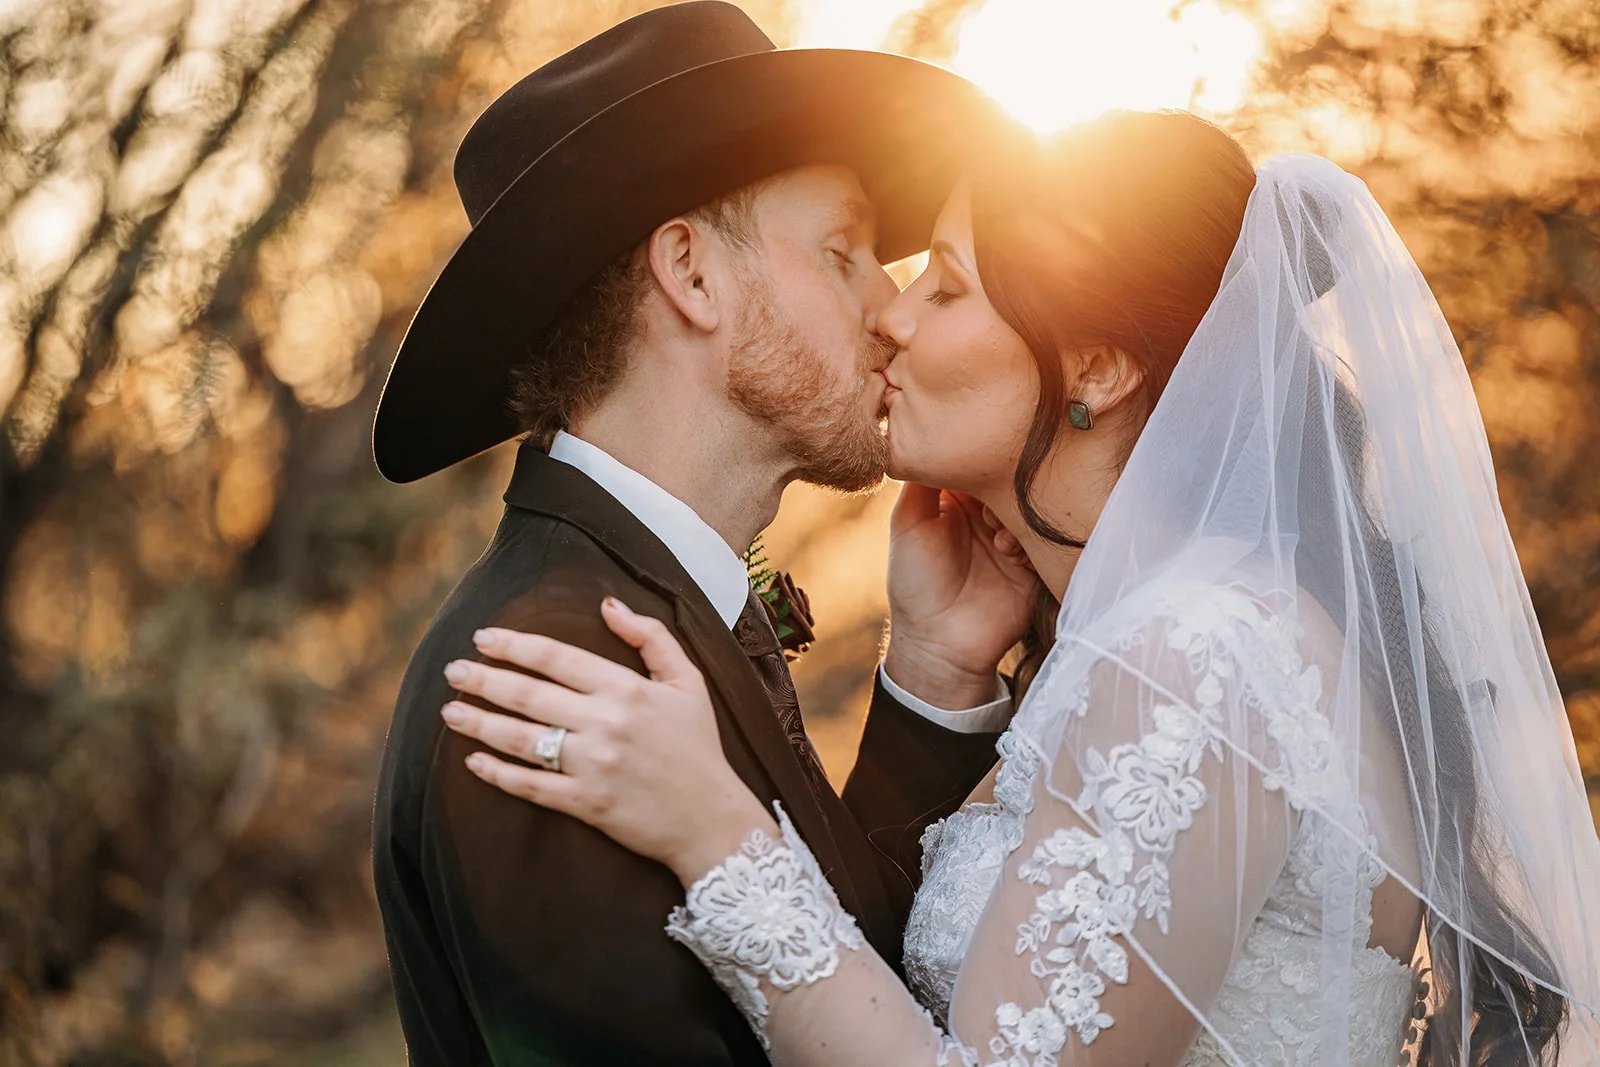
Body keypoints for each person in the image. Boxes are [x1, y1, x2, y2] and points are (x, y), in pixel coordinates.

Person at [441, 109, 1600, 1064]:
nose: (887, 315)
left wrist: (716, 831)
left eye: (943, 288)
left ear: (1095, 363)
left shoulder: (1193, 654)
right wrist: (937, 668)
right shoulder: (1158, 635)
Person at [368, 4, 1035, 1064]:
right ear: (691, 273)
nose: (893, 305)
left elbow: (858, 976)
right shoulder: (543, 680)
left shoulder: (640, 604)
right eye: (844, 250)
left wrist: (932, 674)